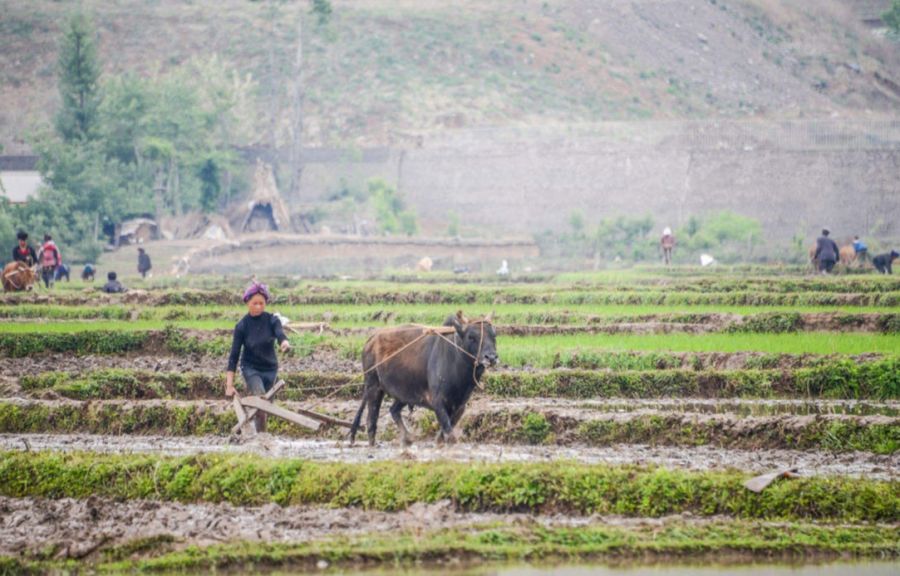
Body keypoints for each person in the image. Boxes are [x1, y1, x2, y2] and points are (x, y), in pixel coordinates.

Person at [225, 282, 291, 433]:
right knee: (261, 400)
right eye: (255, 303)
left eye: (261, 303)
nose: (258, 307)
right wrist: (229, 385)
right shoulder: (242, 326)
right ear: (247, 302)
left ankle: (257, 433)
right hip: (251, 368)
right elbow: (233, 357)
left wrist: (284, 343)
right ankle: (262, 437)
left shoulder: (272, 320)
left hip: (270, 368)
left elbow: (280, 334)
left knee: (266, 406)